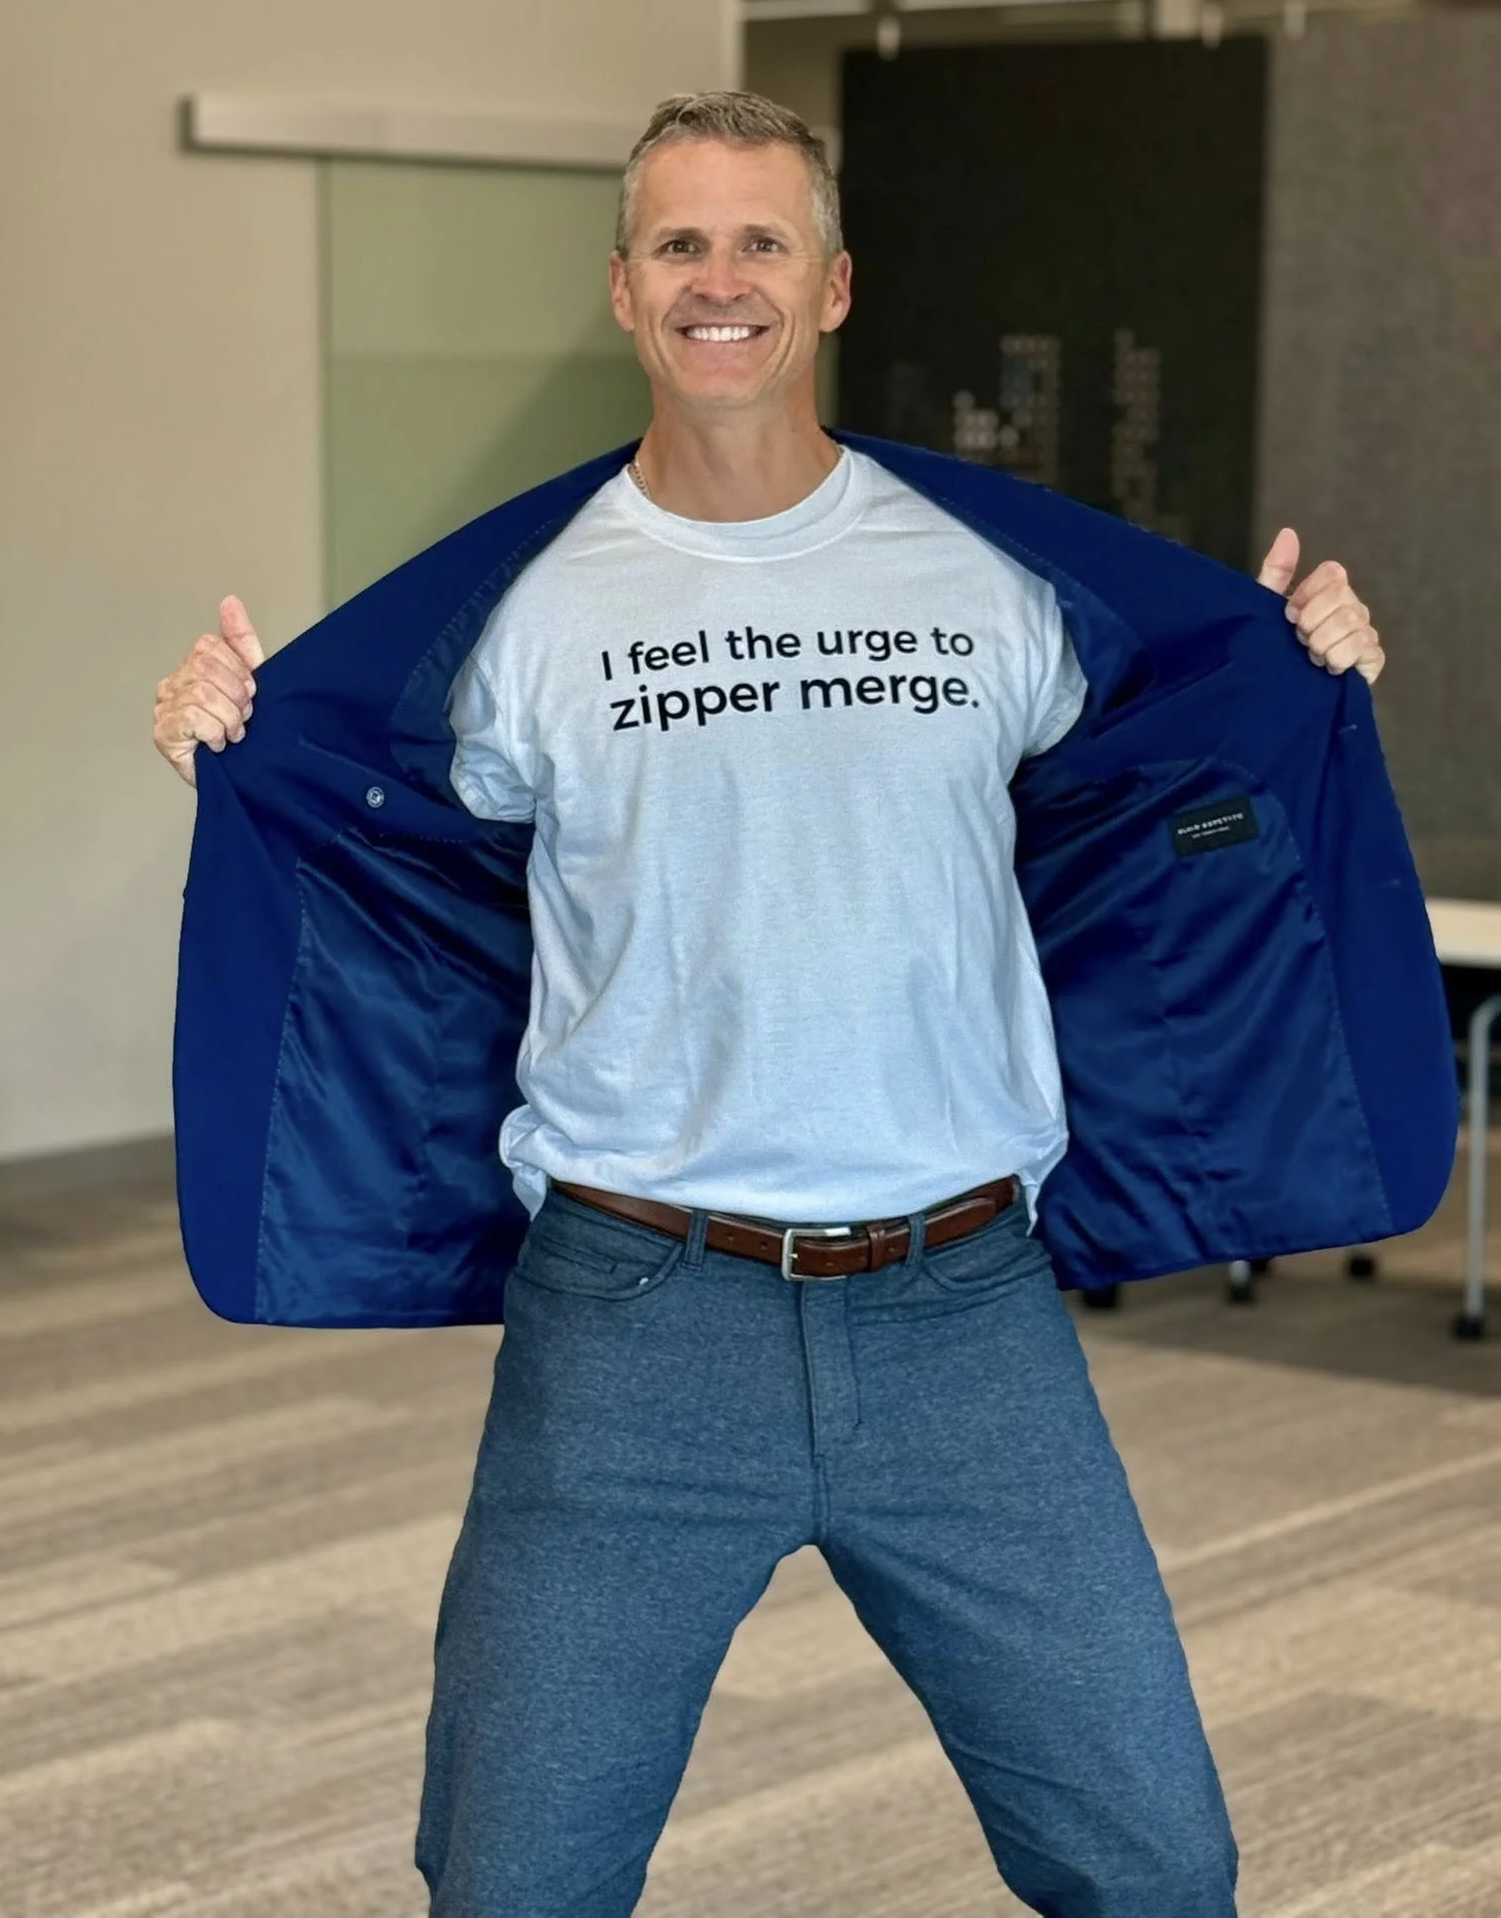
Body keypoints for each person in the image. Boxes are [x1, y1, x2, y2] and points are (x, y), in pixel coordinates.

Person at [153, 94, 1452, 1918]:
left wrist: (1302, 663)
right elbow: (371, 843)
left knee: (1159, 1866)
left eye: (763, 240)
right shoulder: (524, 613)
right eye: (679, 243)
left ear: (832, 285)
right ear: (623, 287)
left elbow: (1178, 767)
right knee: (518, 1884)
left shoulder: (990, 576)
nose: (722, 279)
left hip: (964, 1315)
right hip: (635, 1322)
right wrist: (229, 736)